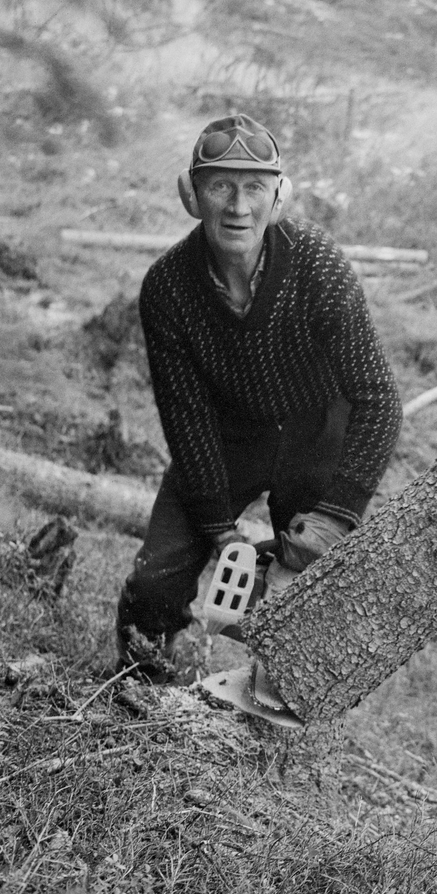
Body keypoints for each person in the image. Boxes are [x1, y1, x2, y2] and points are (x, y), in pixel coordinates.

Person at [117, 114, 402, 677]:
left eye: (254, 188)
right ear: (191, 195)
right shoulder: (168, 287)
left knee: (309, 595)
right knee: (155, 579)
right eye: (220, 185)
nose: (238, 206)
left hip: (316, 433)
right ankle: (138, 692)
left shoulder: (317, 264)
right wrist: (218, 527)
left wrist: (334, 517)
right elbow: (186, 416)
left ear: (279, 197)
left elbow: (377, 398)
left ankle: (280, 714)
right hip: (227, 437)